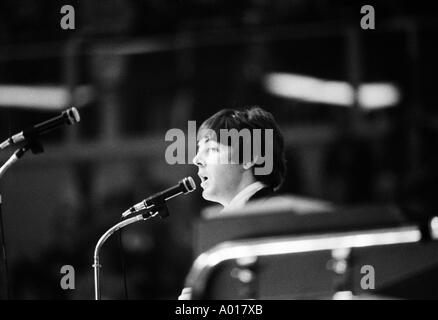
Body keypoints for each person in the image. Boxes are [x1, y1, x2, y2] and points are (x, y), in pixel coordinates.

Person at [179, 106, 287, 299]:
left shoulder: (271, 220)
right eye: (199, 150)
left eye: (211, 149)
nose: (196, 160)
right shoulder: (226, 222)